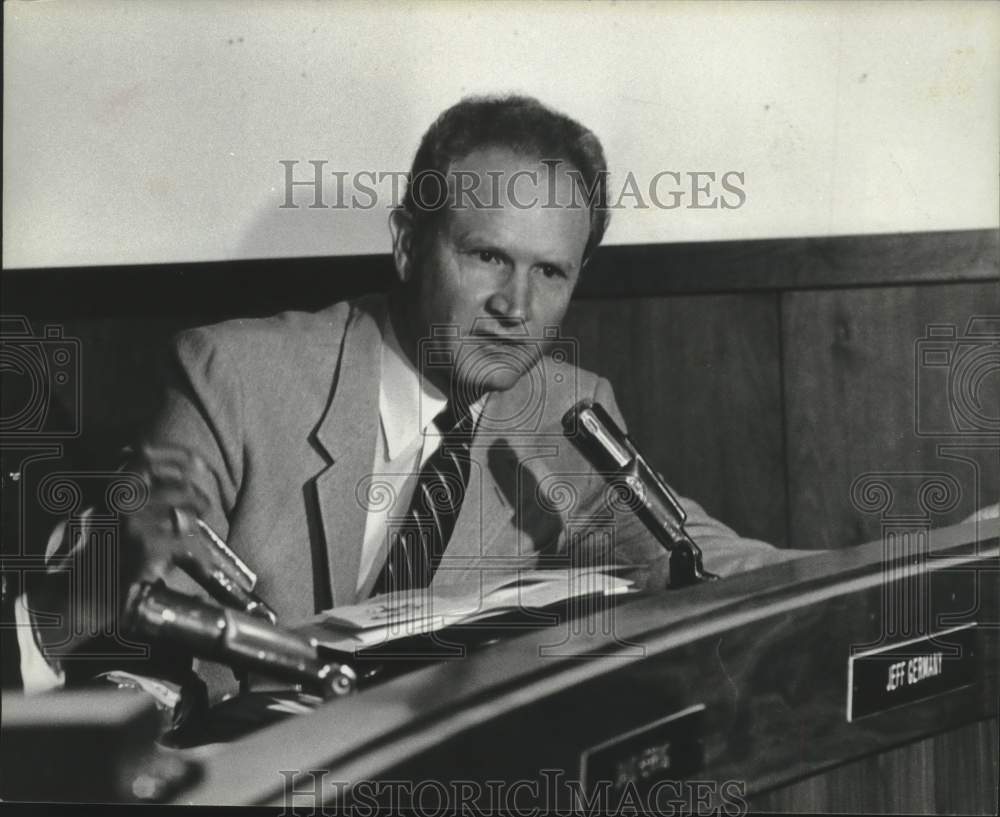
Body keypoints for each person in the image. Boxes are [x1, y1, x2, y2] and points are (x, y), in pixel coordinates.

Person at [14, 95, 798, 700]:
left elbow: (705, 554)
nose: (517, 308)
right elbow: (136, 628)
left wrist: (891, 581)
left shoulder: (570, 413)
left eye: (550, 273)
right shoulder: (235, 378)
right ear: (406, 243)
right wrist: (92, 594)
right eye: (488, 256)